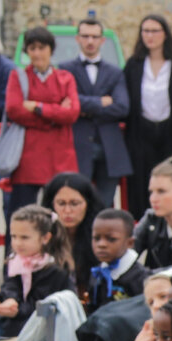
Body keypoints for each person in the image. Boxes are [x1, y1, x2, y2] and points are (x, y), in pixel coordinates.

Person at [2, 27, 81, 216]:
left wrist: (38, 107)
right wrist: (55, 114)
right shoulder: (18, 77)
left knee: (61, 213)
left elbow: (72, 113)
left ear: (50, 50)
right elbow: (14, 110)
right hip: (29, 156)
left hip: (61, 155)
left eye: (41, 47)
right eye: (32, 48)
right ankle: (14, 247)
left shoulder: (65, 78)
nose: (37, 53)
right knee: (22, 212)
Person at [58, 16, 129, 206]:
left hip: (109, 148)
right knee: (77, 203)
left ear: (102, 40)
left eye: (95, 37)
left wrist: (83, 108)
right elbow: (64, 104)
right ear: (78, 39)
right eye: (85, 36)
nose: (90, 41)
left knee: (105, 206)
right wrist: (101, 102)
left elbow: (122, 107)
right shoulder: (65, 70)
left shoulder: (115, 72)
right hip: (78, 146)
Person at [0, 204, 73, 341]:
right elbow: (10, 286)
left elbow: (41, 305)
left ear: (45, 238)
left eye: (24, 237)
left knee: (0, 329)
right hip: (21, 317)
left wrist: (16, 310)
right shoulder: (14, 261)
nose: (17, 243)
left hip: (47, 325)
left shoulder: (54, 269)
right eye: (14, 236)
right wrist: (11, 300)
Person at [122, 15, 172, 192]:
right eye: (145, 31)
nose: (149, 36)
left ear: (165, 34)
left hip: (171, 130)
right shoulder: (134, 65)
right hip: (141, 131)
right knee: (141, 182)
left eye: (154, 31)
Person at [39, 173, 102, 284]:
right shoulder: (40, 238)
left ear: (88, 204)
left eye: (74, 203)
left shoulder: (102, 237)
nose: (67, 211)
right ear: (51, 205)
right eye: (61, 203)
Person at [85, 209, 148, 311]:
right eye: (96, 238)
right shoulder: (97, 273)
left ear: (130, 243)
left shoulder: (140, 278)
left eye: (111, 239)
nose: (101, 244)